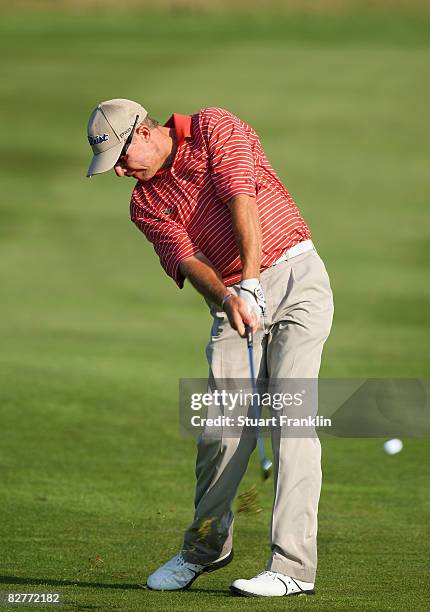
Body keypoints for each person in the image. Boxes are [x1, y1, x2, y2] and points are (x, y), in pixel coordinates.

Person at [85, 98, 334, 597]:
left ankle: (292, 568)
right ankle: (205, 549)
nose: (119, 173)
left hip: (296, 278)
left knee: (291, 420)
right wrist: (228, 294)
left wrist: (252, 280)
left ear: (142, 133)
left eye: (119, 158)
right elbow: (187, 258)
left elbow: (242, 196)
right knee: (221, 434)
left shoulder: (213, 126)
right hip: (233, 301)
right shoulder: (144, 202)